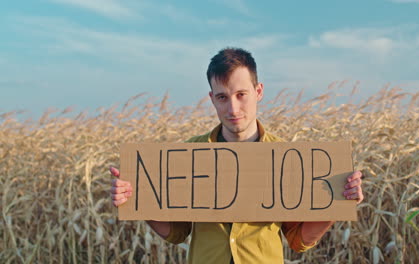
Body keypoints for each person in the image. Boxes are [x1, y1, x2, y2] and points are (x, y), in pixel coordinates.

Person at [110, 47, 364, 263]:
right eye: (222, 97)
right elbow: (177, 232)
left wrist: (337, 205)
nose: (232, 108)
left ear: (259, 91)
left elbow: (298, 240)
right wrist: (137, 201)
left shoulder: (287, 157)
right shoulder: (190, 154)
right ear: (212, 99)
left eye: (241, 95)